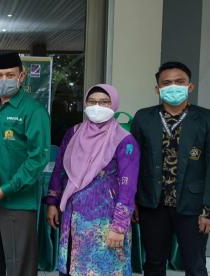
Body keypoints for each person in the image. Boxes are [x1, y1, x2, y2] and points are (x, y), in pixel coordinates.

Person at [131, 61, 210, 276]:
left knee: (195, 265)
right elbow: (133, 163)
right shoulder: (143, 117)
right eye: (166, 83)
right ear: (157, 88)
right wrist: (131, 201)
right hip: (152, 203)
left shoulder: (209, 119)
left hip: (193, 206)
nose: (173, 86)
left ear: (190, 86)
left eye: (180, 82)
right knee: (153, 262)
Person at [45, 84, 140, 276]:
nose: (97, 106)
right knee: (73, 267)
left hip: (106, 222)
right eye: (92, 101)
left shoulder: (124, 140)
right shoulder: (73, 133)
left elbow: (128, 187)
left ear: (114, 105)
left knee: (104, 269)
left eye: (104, 102)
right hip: (73, 218)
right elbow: (60, 171)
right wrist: (52, 202)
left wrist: (119, 226)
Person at [0, 52, 50, 276]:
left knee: (20, 264)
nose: (3, 80)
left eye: (9, 74)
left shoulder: (33, 111)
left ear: (22, 75)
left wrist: (7, 189)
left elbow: (38, 158)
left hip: (17, 200)